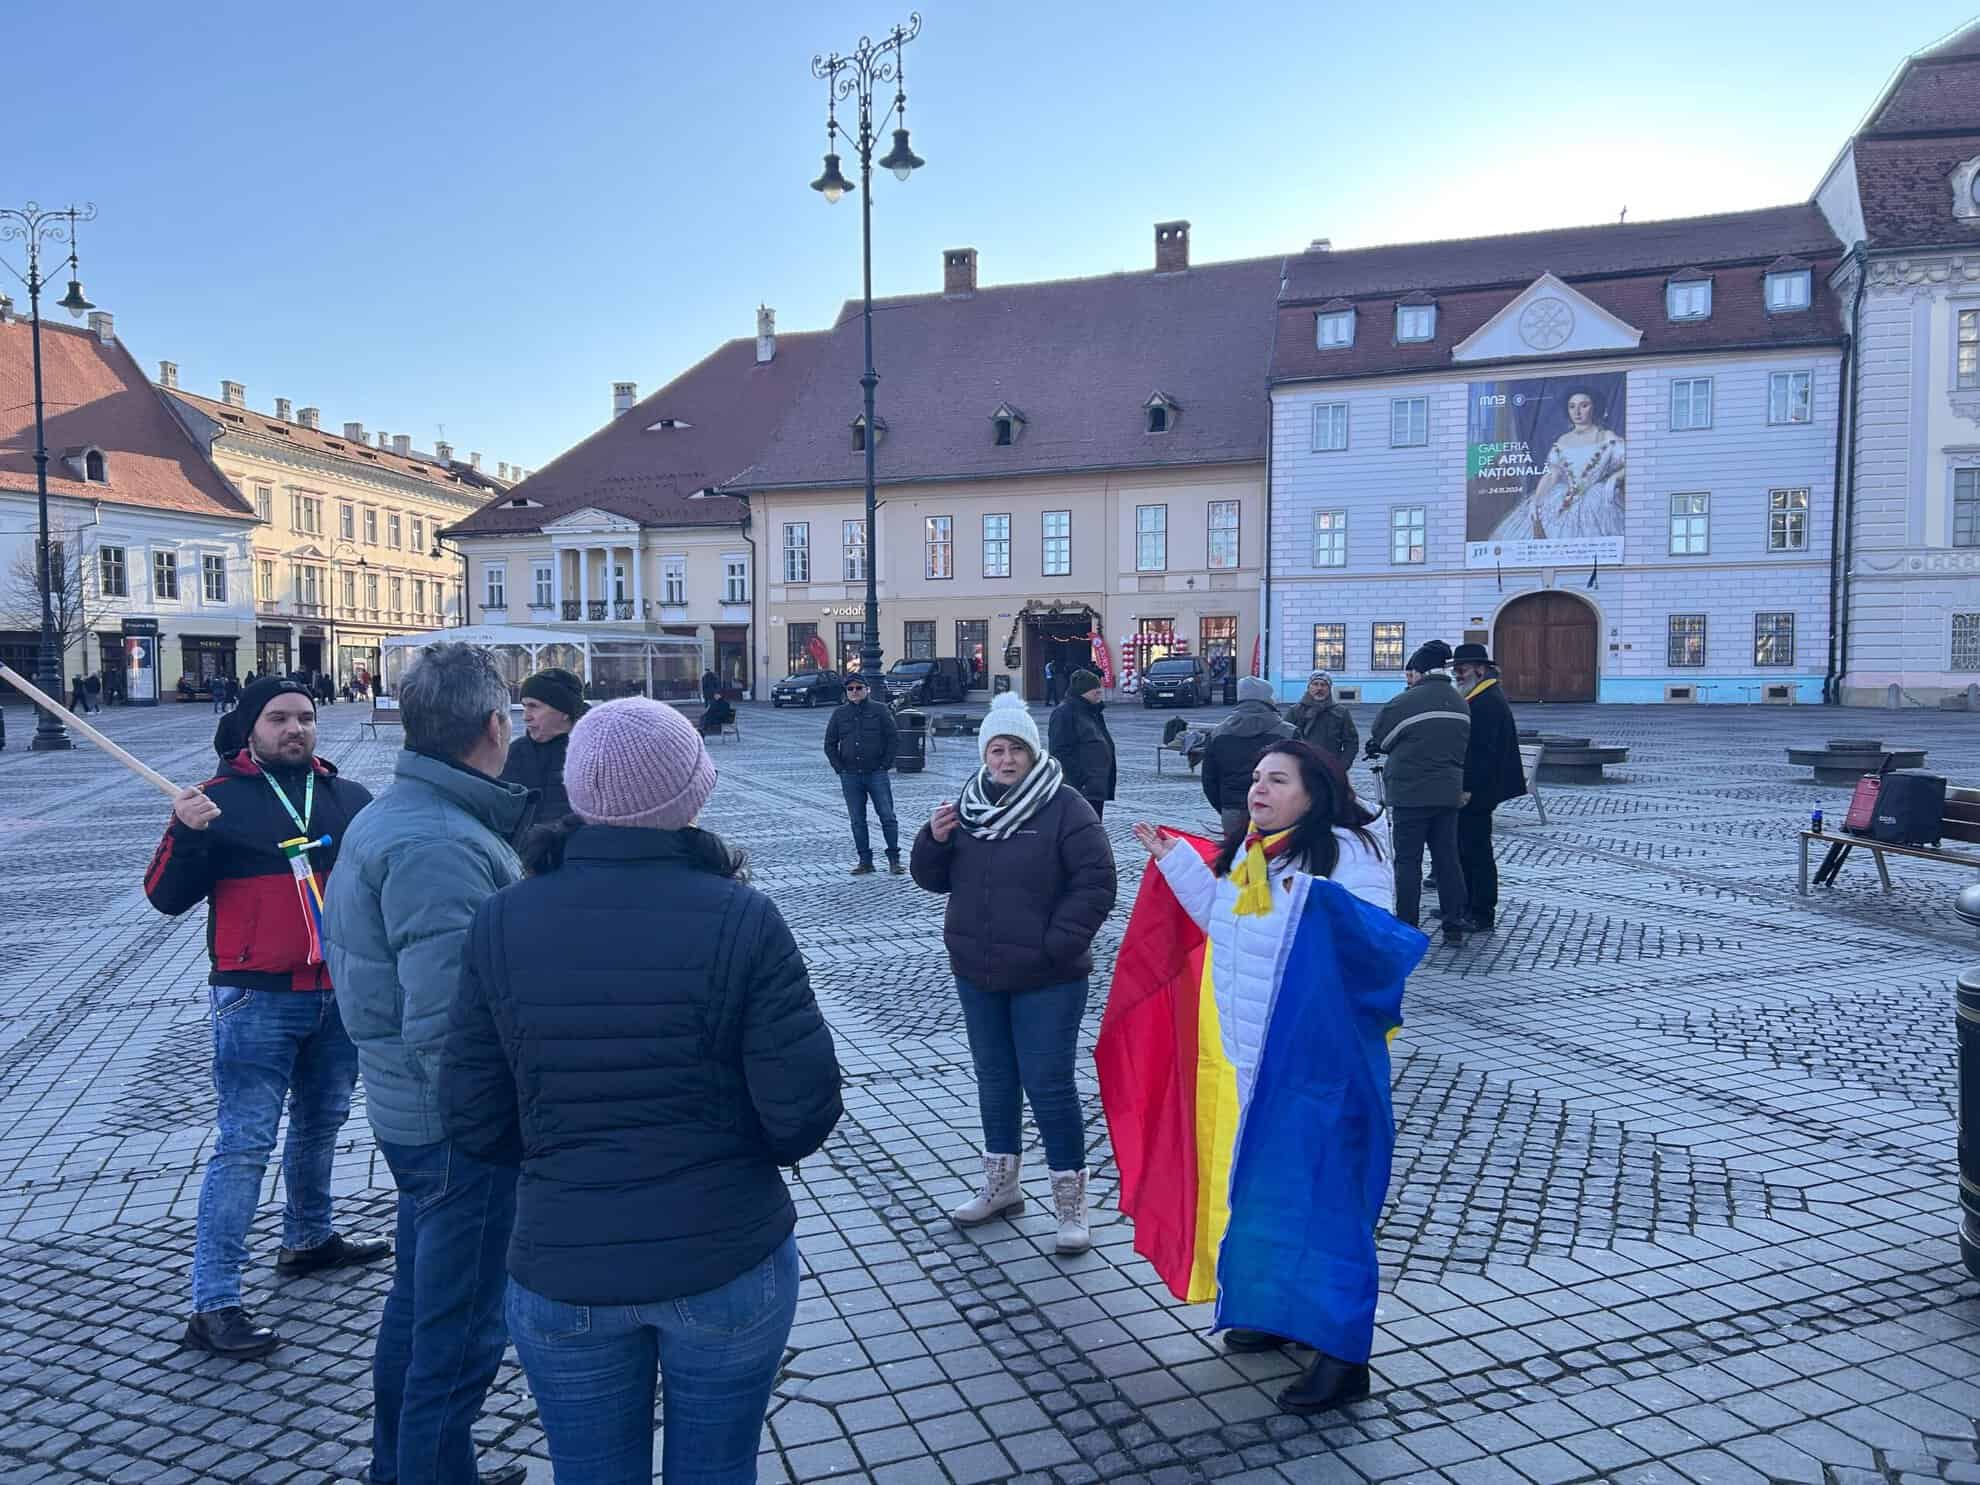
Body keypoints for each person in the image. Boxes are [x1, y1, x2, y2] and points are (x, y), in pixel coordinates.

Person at [443, 698, 843, 1485]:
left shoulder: (502, 920)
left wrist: (565, 1153)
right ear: (690, 798)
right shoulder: (743, 918)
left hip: (564, 1261)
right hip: (723, 1252)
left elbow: (470, 1115)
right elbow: (801, 1113)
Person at [1131, 739, 1398, 1413]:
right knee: (1268, 1198)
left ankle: (1342, 1355)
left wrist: (1321, 907)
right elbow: (1227, 924)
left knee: (1329, 1210)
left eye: (1276, 779)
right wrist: (1179, 866)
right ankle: (1278, 1312)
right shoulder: (1256, 852)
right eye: (1255, 777)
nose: (1258, 789)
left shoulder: (1346, 855)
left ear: (1316, 791)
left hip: (1320, 1072)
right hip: (1257, 1066)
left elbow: (1371, 952)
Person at [323, 643, 534, 1485]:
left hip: (419, 1118)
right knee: (461, 1331)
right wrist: (497, 1125)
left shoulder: (403, 812)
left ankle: (409, 1465)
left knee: (419, 1310)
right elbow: (449, 1022)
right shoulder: (438, 843)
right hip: (456, 1130)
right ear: (493, 724)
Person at [143, 676, 388, 1360]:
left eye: (305, 717)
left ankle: (308, 1237)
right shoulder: (215, 804)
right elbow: (165, 897)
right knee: (245, 1142)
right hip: (256, 997)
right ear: (250, 728)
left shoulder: (347, 797)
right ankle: (213, 1301)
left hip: (335, 992)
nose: (295, 729)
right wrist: (183, 835)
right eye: (279, 717)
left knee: (322, 1122)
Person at [911, 692, 1117, 1252]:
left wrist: (1057, 945)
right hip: (977, 969)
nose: (1005, 761)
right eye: (996, 750)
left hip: (1049, 975)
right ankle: (1001, 1187)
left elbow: (1097, 883)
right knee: (995, 1080)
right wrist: (933, 840)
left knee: (1048, 1085)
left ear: (1032, 753)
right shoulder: (970, 804)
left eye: (1016, 751)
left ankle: (1070, 1202)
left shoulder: (1065, 806)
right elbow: (933, 879)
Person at [1368, 642, 1471, 944]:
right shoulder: (1460, 701)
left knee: (1408, 861)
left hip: (1410, 792)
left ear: (1418, 672)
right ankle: (1454, 923)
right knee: (1447, 859)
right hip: (1448, 792)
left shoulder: (1406, 702)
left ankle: (1408, 924)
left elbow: (1382, 738)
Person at [1450, 643, 1525, 934]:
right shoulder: (1478, 696)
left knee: (1476, 850)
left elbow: (1482, 754)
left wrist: (1467, 789)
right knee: (1465, 849)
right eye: (1456, 669)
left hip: (1478, 791)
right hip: (1477, 789)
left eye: (1462, 669)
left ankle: (1481, 912)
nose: (1458, 674)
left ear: (1480, 669)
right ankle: (1467, 903)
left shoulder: (1487, 701)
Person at [1491, 388, 1626, 542]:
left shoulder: (1606, 436)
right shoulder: (1563, 441)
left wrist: (1614, 478)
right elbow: (1551, 474)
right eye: (1572, 406)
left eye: (1584, 405)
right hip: (1562, 498)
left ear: (1594, 407)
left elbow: (1632, 462)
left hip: (1597, 500)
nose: (1577, 412)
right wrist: (1536, 500)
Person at [823, 672, 901, 876]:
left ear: (867, 689)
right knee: (857, 820)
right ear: (846, 692)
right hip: (850, 775)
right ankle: (865, 861)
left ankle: (894, 860)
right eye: (850, 689)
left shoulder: (880, 709)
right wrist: (839, 768)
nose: (855, 692)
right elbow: (829, 743)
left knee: (887, 816)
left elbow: (893, 738)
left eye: (859, 688)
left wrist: (885, 764)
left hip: (876, 773)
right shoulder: (839, 714)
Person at [1202, 676, 1295, 838]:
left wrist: (1225, 806)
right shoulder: (1288, 732)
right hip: (1277, 808)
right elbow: (1301, 776)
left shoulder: (1218, 733)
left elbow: (1209, 779)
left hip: (1232, 810)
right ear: (1266, 699)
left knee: (1237, 859)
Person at [501, 666, 587, 821]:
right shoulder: (512, 752)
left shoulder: (592, 754)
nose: (526, 717)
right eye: (524, 707)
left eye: (534, 706)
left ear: (565, 712)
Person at [1048, 668, 1116, 820]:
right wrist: (1081, 780)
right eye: (1095, 692)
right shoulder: (1064, 713)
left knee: (1094, 827)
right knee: (1082, 828)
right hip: (1081, 787)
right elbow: (1059, 752)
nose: (1100, 695)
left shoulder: (1093, 711)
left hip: (1096, 787)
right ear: (1083, 692)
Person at [1288, 670, 1358, 767]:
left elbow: (1351, 742)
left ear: (1329, 688)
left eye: (1323, 685)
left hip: (1330, 766)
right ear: (1309, 687)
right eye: (1315, 684)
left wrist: (1342, 765)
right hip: (1301, 766)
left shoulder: (1341, 712)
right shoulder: (1295, 711)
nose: (1319, 688)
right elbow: (1285, 740)